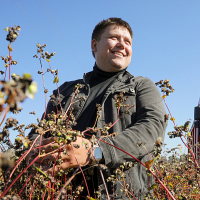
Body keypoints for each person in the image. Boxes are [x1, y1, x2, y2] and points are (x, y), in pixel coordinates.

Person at [28, 17, 167, 200]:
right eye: (115, 38)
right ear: (94, 45)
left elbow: (152, 129)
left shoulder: (142, 86)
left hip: (122, 195)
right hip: (65, 193)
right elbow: (39, 132)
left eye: (128, 42)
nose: (122, 45)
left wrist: (95, 150)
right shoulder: (66, 90)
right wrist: (32, 150)